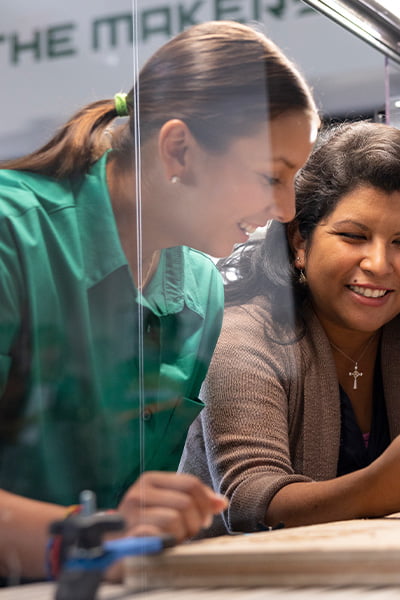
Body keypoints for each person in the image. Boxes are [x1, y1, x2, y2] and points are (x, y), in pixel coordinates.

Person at [0, 20, 319, 582]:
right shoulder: (12, 236)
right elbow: (111, 529)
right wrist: (87, 536)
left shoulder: (199, 289)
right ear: (178, 150)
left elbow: (133, 512)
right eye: (271, 176)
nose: (288, 210)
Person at [180, 120, 400, 537]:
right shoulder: (243, 334)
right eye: (353, 236)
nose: (379, 264)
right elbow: (251, 501)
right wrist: (385, 486)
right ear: (300, 241)